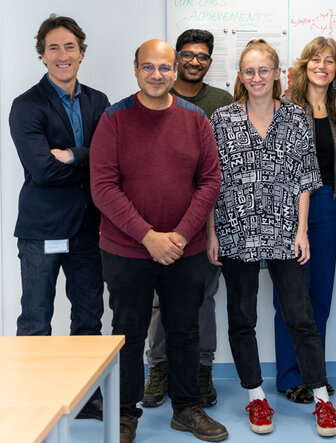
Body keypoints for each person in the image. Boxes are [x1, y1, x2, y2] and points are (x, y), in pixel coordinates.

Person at [90, 39, 226, 442]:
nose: (156, 75)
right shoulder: (114, 119)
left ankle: (186, 409)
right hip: (127, 250)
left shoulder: (196, 118)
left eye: (164, 67)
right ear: (135, 70)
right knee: (128, 332)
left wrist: (180, 236)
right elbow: (103, 187)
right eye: (147, 67)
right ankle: (125, 414)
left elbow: (210, 180)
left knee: (185, 331)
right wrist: (149, 237)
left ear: (175, 70)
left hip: (186, 250)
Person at [207, 39, 336, 437]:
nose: (257, 77)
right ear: (240, 76)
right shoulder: (222, 118)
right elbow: (211, 181)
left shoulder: (297, 117)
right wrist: (212, 233)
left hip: (285, 231)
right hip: (235, 230)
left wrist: (302, 232)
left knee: (301, 316)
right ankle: (256, 397)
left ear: (278, 73)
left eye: (264, 70)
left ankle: (321, 399)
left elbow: (305, 180)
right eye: (249, 71)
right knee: (242, 317)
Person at [9, 14, 109, 421]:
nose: (62, 55)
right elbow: (42, 170)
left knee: (89, 318)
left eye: (70, 47)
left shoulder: (98, 102)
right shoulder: (26, 106)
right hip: (42, 230)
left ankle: (85, 400)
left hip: (88, 227)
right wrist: (87, 160)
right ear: (42, 55)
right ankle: (34, 400)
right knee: (36, 319)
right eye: (54, 47)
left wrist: (72, 155)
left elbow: (109, 162)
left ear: (82, 53)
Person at [143, 28, 232, 409]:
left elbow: (220, 167)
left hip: (207, 219)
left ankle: (202, 369)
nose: (195, 61)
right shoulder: (157, 94)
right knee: (160, 302)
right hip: (160, 221)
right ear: (177, 57)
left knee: (204, 298)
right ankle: (159, 367)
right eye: (188, 54)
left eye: (203, 56)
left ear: (210, 61)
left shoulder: (223, 101)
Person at [274, 36, 336, 404]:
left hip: (329, 206)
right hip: (289, 209)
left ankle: (313, 375)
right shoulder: (285, 107)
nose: (323, 66)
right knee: (290, 299)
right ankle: (291, 377)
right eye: (316, 59)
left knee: (320, 296)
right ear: (304, 66)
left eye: (330, 61)